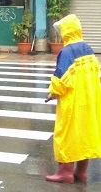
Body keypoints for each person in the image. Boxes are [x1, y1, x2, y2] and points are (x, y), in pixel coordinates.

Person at [45, 14, 101, 184]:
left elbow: (61, 79)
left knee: (66, 133)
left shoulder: (67, 51)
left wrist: (52, 92)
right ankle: (81, 172)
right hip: (90, 100)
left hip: (73, 101)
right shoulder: (88, 49)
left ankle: (65, 172)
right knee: (84, 134)